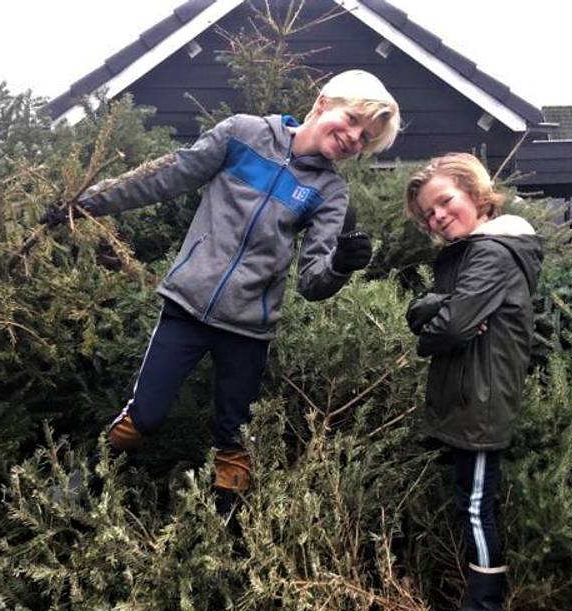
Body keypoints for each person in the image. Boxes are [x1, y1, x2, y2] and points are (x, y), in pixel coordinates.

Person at [42, 70, 400, 516]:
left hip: (249, 330)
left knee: (235, 440)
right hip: (186, 309)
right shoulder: (243, 134)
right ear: (324, 102)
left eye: (365, 139)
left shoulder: (328, 190)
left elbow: (313, 282)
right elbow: (164, 177)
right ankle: (74, 495)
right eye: (351, 121)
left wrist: (340, 266)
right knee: (143, 417)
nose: (352, 138)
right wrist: (85, 202)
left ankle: (224, 536)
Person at [402, 153, 543, 611]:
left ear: (475, 193)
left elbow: (453, 326)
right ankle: (475, 605)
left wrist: (433, 325)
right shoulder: (474, 252)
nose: (437, 217)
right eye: (428, 215)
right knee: (468, 500)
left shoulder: (492, 252)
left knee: (477, 503)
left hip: (481, 401)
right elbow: (447, 317)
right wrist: (434, 310)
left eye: (444, 202)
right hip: (469, 395)